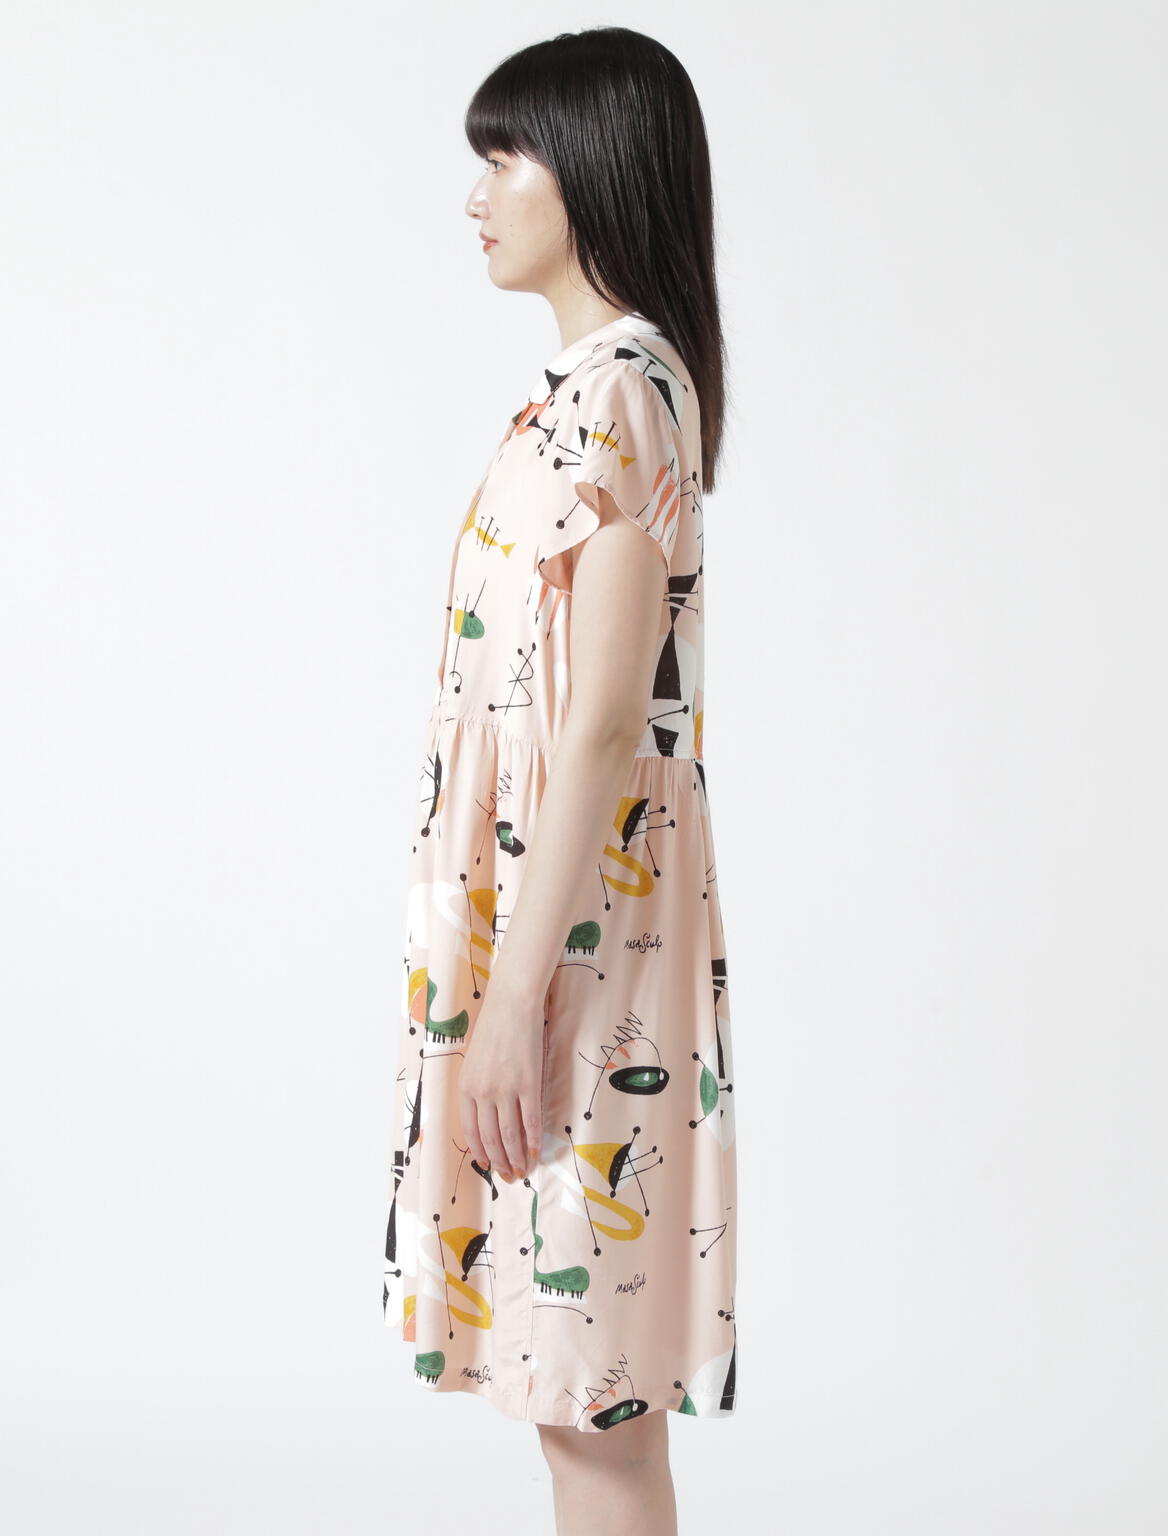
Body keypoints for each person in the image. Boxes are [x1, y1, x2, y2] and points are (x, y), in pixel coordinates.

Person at [383, 26, 737, 1535]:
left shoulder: (624, 391)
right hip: (553, 929)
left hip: (578, 950)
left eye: (504, 157)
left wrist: (514, 997)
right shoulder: (590, 391)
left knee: (592, 1409)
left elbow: (601, 722)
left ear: (592, 168)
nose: (476, 195)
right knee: (569, 1398)